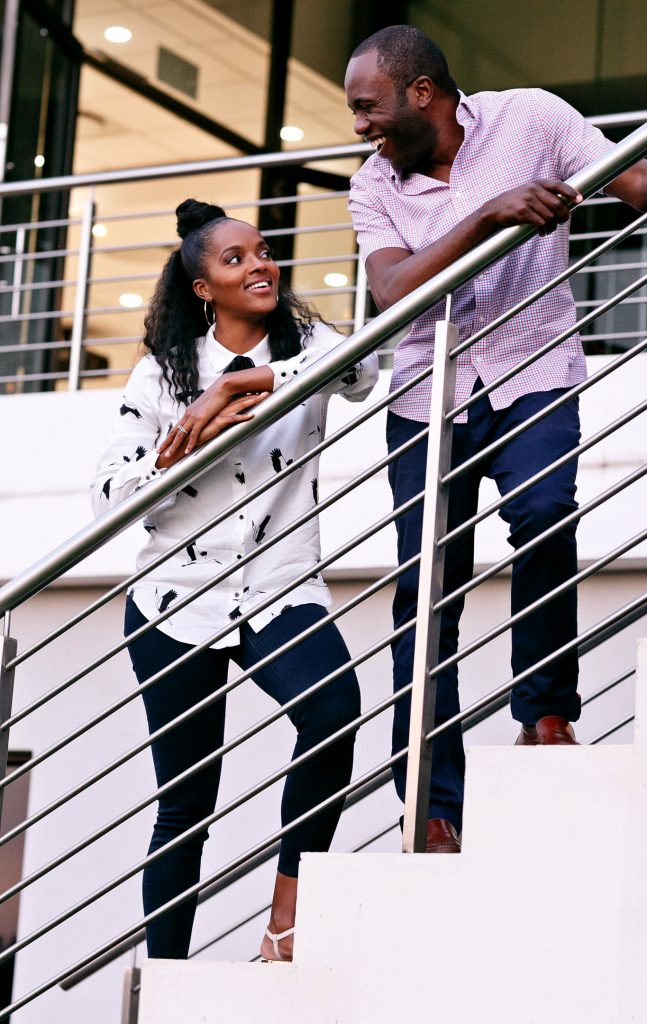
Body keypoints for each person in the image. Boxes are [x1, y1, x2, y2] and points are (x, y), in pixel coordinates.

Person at [344, 25, 647, 853]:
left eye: (367, 106)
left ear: (420, 92)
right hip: (430, 402)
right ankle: (430, 804)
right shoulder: (371, 186)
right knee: (426, 598)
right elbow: (390, 291)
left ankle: (544, 713)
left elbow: (640, 185)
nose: (359, 124)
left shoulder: (531, 118)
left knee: (544, 515)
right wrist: (491, 216)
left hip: (535, 374)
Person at [91, 199, 378, 961]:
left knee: (333, 712)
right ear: (201, 288)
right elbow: (111, 495)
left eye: (262, 252)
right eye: (234, 259)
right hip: (171, 603)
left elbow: (362, 370)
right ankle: (166, 980)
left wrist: (240, 388)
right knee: (185, 804)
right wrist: (204, 417)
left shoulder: (309, 342)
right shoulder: (161, 373)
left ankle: (286, 915)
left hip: (279, 585)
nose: (259, 266)